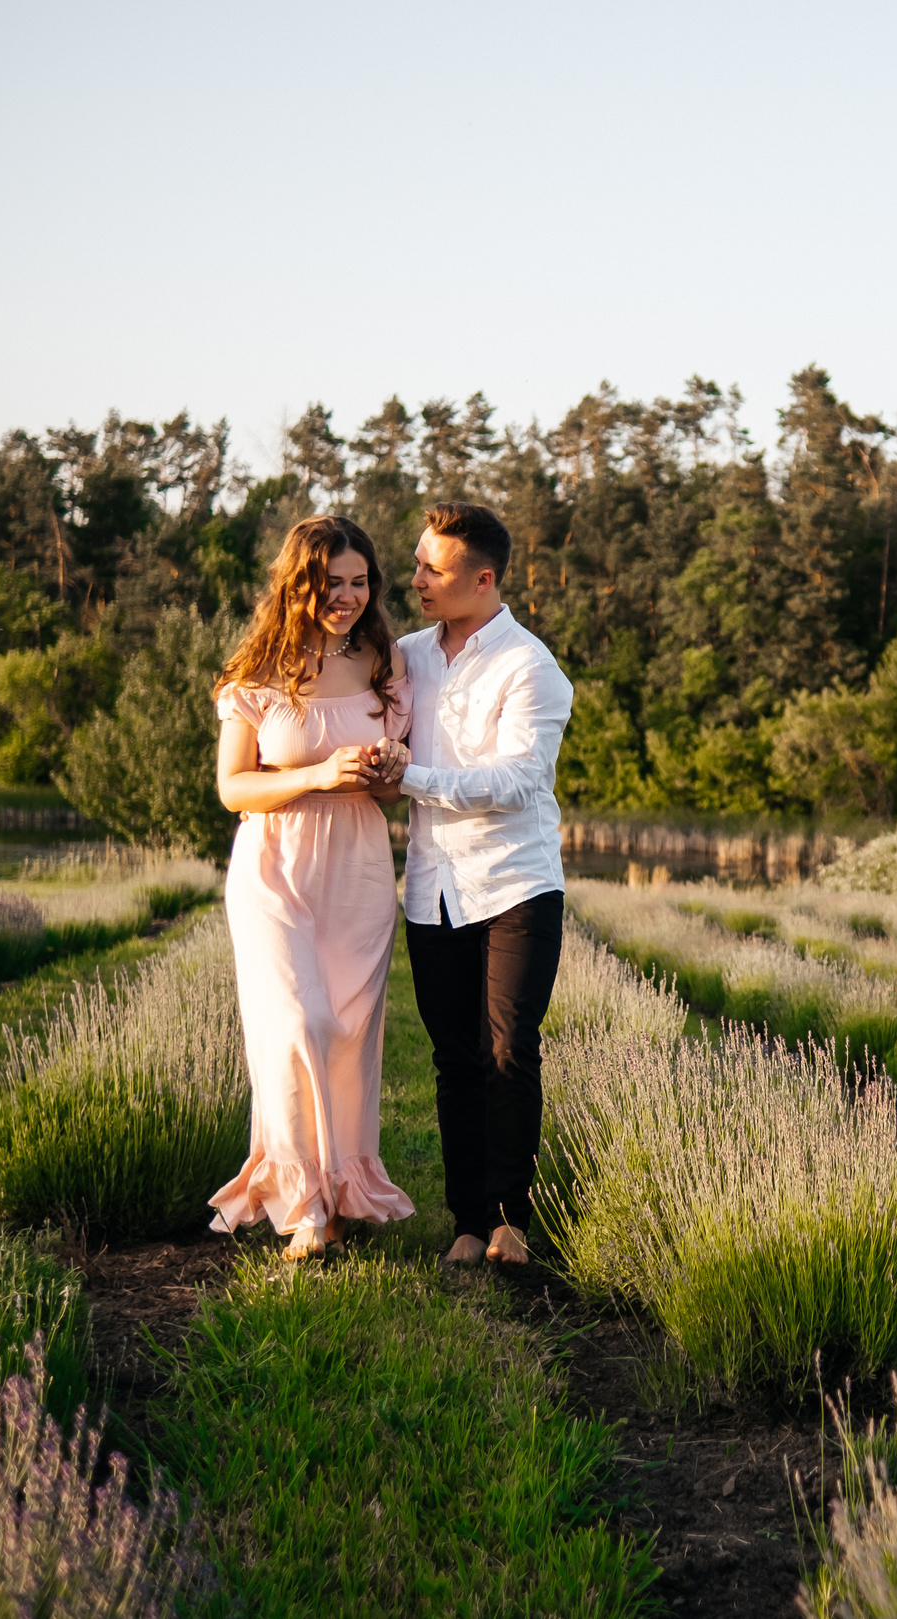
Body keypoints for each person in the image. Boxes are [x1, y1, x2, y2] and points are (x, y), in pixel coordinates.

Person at [207, 515, 417, 1261]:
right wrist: (318, 775)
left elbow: (393, 789)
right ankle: (302, 1205)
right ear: (298, 584)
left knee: (350, 1032)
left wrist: (390, 771)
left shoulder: (386, 662)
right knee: (296, 1022)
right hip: (274, 865)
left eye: (360, 583)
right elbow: (234, 788)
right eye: (331, 583)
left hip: (358, 866)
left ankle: (341, 1192)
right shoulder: (257, 669)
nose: (347, 597)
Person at [370, 500, 573, 1267]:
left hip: (516, 884)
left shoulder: (531, 666)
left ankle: (511, 1222)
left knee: (509, 1050)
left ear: (483, 579)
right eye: (417, 563)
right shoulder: (407, 656)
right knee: (455, 1058)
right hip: (434, 886)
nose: (417, 578)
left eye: (434, 568)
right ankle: (466, 1220)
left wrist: (412, 776)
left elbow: (518, 781)